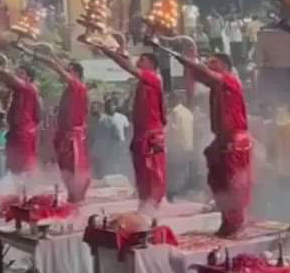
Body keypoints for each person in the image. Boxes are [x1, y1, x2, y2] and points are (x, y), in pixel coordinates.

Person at [171, 50, 252, 236]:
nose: (208, 64)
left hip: (234, 139)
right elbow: (200, 75)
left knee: (234, 184)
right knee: (218, 183)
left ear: (224, 65)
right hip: (222, 140)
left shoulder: (230, 80)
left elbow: (204, 73)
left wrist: (188, 59)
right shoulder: (216, 84)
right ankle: (227, 221)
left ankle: (236, 224)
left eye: (213, 62)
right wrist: (184, 61)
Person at [100, 42, 167, 210]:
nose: (139, 61)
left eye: (142, 59)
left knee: (151, 173)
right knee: (142, 173)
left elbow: (128, 67)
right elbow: (128, 63)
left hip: (150, 135)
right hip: (141, 134)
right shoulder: (143, 81)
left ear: (151, 64)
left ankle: (152, 207)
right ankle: (144, 205)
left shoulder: (153, 77)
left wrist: (107, 50)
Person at [26, 49, 91, 202]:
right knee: (65, 169)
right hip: (64, 136)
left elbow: (58, 68)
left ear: (75, 73)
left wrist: (43, 58)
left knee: (74, 169)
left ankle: (77, 198)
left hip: (73, 137)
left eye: (68, 71)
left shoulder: (78, 87)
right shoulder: (69, 90)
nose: (64, 74)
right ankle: (72, 197)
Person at [165, 91, 196, 199]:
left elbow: (172, 129)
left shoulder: (174, 113)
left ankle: (173, 192)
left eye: (170, 99)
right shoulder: (188, 112)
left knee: (175, 169)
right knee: (184, 168)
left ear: (174, 100)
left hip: (177, 145)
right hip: (188, 144)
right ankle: (183, 190)